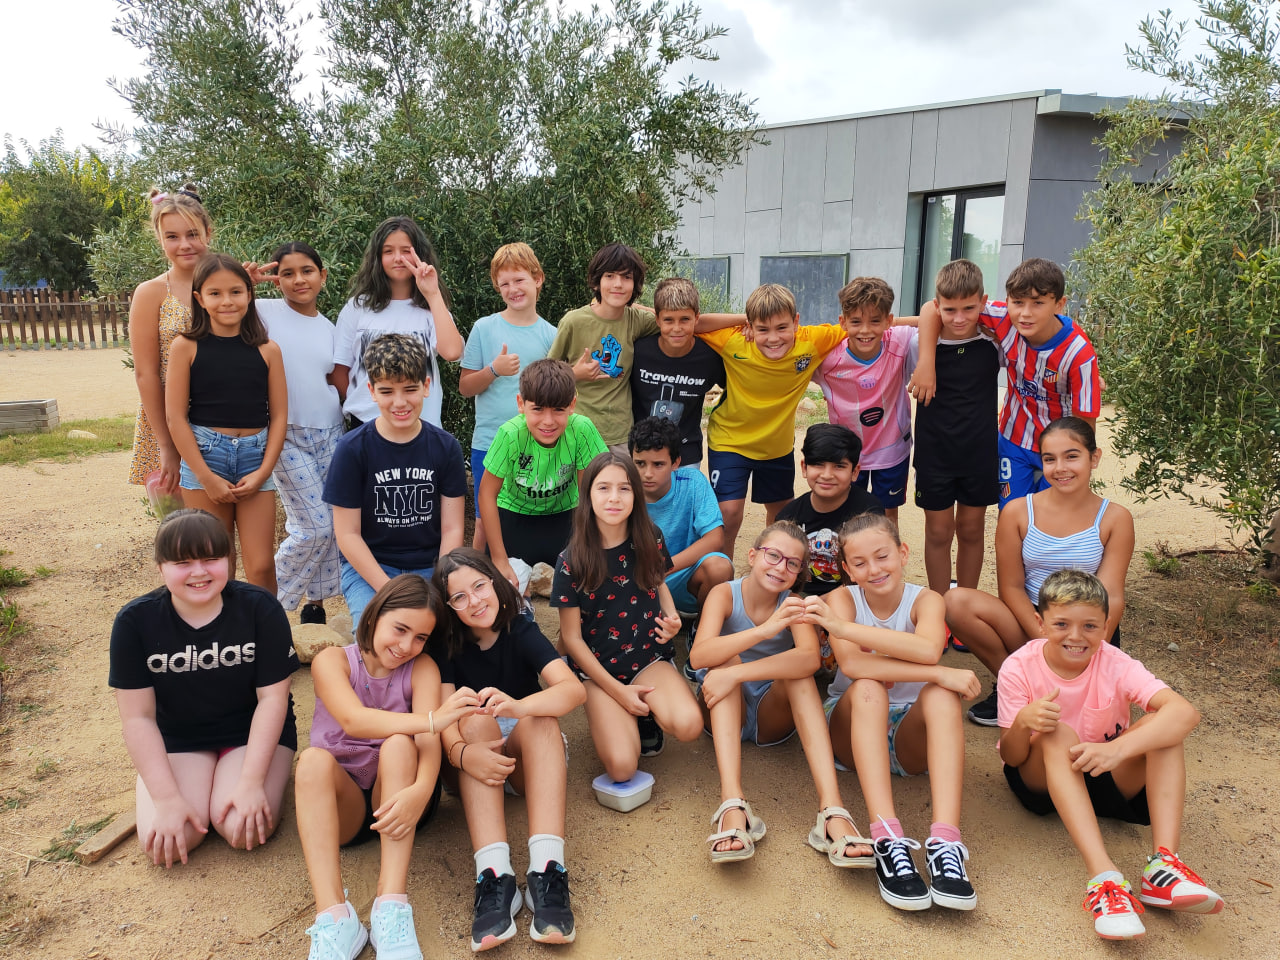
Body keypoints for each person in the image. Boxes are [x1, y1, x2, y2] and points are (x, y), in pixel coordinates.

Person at [998, 570, 1224, 941]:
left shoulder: (1116, 662)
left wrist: (1117, 749)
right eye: (1061, 624)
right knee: (1057, 733)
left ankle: (1164, 867)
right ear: (1040, 623)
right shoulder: (1019, 666)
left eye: (1089, 626)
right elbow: (1011, 755)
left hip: (1102, 769)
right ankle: (1105, 878)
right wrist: (1023, 722)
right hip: (1041, 778)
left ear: (1106, 627)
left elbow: (1185, 713)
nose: (1076, 636)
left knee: (1165, 729)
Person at [807, 513, 982, 913]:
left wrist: (843, 629)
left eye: (882, 556)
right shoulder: (842, 600)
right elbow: (854, 666)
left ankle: (946, 842)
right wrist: (937, 672)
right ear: (847, 569)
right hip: (852, 725)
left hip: (908, 734)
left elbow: (928, 650)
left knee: (942, 695)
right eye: (860, 563)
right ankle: (887, 836)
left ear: (902, 553)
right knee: (870, 687)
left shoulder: (926, 600)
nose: (874, 569)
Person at [295, 574, 473, 960]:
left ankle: (390, 906)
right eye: (400, 629)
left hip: (401, 798)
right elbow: (354, 720)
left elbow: (427, 743)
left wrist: (422, 791)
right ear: (375, 616)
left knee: (399, 744)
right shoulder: (332, 660)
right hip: (344, 806)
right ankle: (335, 918)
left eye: (420, 637)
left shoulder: (422, 668)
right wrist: (432, 720)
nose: (406, 646)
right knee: (310, 761)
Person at [108, 509, 298, 868]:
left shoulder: (260, 609)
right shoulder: (135, 622)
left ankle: (243, 779)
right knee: (168, 842)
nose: (199, 572)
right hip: (179, 738)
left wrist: (251, 782)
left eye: (211, 559)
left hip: (249, 734)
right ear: (160, 567)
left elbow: (273, 700)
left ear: (229, 560)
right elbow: (138, 719)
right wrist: (165, 798)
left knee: (241, 828)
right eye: (183, 562)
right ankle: (168, 783)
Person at [690, 521, 872, 869]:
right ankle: (732, 803)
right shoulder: (724, 594)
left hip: (769, 712)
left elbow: (809, 658)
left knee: (798, 677)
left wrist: (736, 673)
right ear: (753, 555)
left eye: (792, 563)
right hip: (723, 708)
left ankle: (832, 809)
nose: (780, 567)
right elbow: (699, 656)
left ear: (799, 572)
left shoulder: (794, 604)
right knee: (723, 660)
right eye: (773, 555)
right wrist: (766, 631)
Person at [432, 549, 587, 950]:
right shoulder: (445, 645)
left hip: (522, 760)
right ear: (448, 606)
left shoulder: (519, 628)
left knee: (540, 718)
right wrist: (463, 754)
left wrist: (519, 706)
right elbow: (443, 717)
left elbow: (573, 690)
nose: (474, 601)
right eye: (459, 597)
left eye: (479, 586)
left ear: (495, 583)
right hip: (469, 762)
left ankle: (547, 870)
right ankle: (494, 875)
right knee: (473, 717)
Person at [947, 417, 1135, 725]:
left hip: (1088, 625)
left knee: (1091, 716)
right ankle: (1016, 685)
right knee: (955, 602)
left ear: (1094, 458)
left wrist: (1084, 640)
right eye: (1049, 459)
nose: (1060, 468)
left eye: (1071, 456)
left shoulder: (1115, 518)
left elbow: (1111, 595)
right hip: (1034, 619)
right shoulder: (1017, 512)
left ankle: (1074, 682)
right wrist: (1047, 638)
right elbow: (1011, 588)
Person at [551, 453, 702, 783]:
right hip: (598, 670)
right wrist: (618, 693)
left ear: (636, 493)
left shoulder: (650, 536)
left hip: (648, 658)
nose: (614, 498)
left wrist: (672, 616)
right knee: (622, 768)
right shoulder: (571, 560)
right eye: (603, 488)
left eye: (624, 488)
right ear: (588, 494)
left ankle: (645, 710)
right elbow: (571, 639)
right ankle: (619, 709)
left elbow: (658, 581)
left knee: (690, 725)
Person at [911, 257, 1101, 510]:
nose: (1025, 313)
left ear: (1059, 304)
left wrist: (1078, 461)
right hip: (1014, 440)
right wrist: (926, 361)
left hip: (1059, 448)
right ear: (1008, 300)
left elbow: (1085, 421)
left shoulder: (1079, 354)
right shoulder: (1003, 318)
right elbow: (930, 309)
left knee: (1053, 515)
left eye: (1038, 303)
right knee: (1012, 514)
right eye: (1018, 302)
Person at [322, 333, 467, 626]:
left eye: (410, 389)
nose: (399, 402)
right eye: (387, 391)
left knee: (449, 631)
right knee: (380, 632)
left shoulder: (446, 447)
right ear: (372, 391)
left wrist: (442, 582)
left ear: (426, 386)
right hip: (371, 567)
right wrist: (390, 590)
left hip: (431, 566)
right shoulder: (352, 449)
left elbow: (452, 529)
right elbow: (348, 534)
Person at [166, 254, 287, 593]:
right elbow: (176, 417)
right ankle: (222, 625)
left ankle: (265, 625)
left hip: (254, 461)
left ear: (249, 294)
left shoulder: (268, 350)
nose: (227, 301)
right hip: (205, 459)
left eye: (236, 292)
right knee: (217, 561)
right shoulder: (185, 347)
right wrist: (206, 477)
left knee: (261, 565)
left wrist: (264, 472)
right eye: (215, 293)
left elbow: (279, 416)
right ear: (199, 298)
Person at [699, 283, 846, 560]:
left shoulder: (813, 341)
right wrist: (742, 321)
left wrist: (928, 319)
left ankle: (773, 572)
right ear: (750, 326)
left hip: (776, 447)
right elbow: (690, 321)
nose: (773, 338)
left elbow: (864, 324)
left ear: (796, 322)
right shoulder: (733, 340)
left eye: (782, 327)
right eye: (763, 329)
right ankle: (721, 577)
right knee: (728, 513)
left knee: (782, 516)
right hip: (730, 441)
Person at [249, 242, 344, 624]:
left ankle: (315, 607)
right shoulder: (262, 311)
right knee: (313, 527)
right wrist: (246, 284)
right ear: (276, 280)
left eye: (307, 271)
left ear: (323, 276)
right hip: (285, 433)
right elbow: (217, 313)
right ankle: (265, 606)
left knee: (333, 524)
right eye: (287, 273)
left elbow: (337, 380)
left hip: (331, 431)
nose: (298, 280)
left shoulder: (331, 328)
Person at [459, 243, 557, 552]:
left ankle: (520, 579)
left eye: (519, 280)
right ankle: (472, 575)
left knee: (526, 519)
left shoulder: (551, 335)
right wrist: (494, 370)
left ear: (538, 279)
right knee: (484, 522)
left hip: (536, 445)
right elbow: (465, 387)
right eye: (504, 284)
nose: (512, 289)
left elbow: (557, 392)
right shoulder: (484, 328)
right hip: (489, 442)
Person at [910, 259, 1000, 595]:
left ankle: (965, 604)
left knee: (972, 530)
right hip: (935, 455)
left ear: (983, 302)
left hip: (980, 455)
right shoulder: (920, 346)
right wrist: (926, 361)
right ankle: (938, 605)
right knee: (937, 532)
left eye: (968, 308)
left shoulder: (995, 343)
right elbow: (921, 315)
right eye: (949, 310)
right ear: (938, 306)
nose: (959, 318)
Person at [478, 359, 607, 590]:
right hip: (514, 517)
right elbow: (487, 494)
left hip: (565, 516)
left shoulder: (582, 430)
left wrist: (592, 546)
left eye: (558, 409)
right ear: (521, 404)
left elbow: (590, 493)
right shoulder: (509, 434)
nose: (548, 421)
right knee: (504, 588)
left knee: (587, 583)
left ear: (572, 405)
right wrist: (499, 558)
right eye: (538, 409)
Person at [333, 216, 464, 429]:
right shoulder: (357, 307)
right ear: (377, 257)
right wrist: (364, 401)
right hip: (367, 425)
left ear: (419, 254)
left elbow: (452, 352)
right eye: (388, 251)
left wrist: (433, 294)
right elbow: (339, 370)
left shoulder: (432, 308)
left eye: (406, 251)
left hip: (422, 425)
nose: (398, 258)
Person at [127, 186, 212, 494]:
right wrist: (166, 444)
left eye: (192, 234)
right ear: (160, 240)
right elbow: (146, 373)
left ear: (208, 233)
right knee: (185, 520)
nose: (184, 244)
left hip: (224, 417)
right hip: (169, 423)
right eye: (172, 237)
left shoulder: (231, 284)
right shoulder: (150, 293)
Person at [812, 277, 917, 522]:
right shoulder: (827, 358)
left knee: (887, 515)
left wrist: (925, 366)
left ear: (889, 321)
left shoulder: (900, 341)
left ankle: (887, 550)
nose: (866, 330)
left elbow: (936, 316)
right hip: (847, 453)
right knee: (848, 515)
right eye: (856, 322)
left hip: (892, 449)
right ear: (843, 322)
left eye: (875, 321)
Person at [546, 243, 659, 452]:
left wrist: (739, 320)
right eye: (609, 276)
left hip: (620, 436)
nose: (618, 284)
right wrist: (574, 373)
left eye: (627, 277)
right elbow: (544, 377)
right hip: (575, 433)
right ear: (596, 281)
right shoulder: (573, 322)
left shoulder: (637, 320)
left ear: (635, 283)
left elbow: (675, 320)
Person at [628, 416, 732, 620]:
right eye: (640, 463)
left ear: (676, 462)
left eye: (658, 464)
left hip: (679, 575)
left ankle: (702, 628)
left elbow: (715, 539)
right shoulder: (622, 489)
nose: (647, 473)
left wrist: (663, 567)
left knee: (719, 567)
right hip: (636, 579)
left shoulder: (693, 482)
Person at [777, 423, 884, 596]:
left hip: (856, 595)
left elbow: (873, 573)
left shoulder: (870, 511)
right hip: (801, 598)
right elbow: (780, 573)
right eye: (818, 464)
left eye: (839, 466)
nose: (827, 475)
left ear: (855, 472)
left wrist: (826, 602)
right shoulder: (788, 516)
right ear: (804, 468)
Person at [629, 277, 725, 467]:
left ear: (697, 318)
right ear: (657, 319)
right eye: (668, 320)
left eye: (685, 320)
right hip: (641, 452)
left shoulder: (709, 357)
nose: (677, 328)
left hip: (687, 453)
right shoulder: (638, 352)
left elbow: (734, 388)